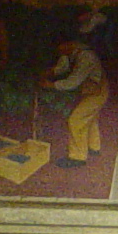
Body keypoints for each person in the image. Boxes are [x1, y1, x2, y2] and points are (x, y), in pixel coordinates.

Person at [41, 36, 110, 168]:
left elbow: (73, 82)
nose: (59, 51)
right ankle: (94, 148)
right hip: (90, 90)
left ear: (69, 43)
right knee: (90, 118)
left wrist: (51, 85)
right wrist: (51, 71)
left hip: (97, 91)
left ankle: (77, 157)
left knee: (76, 120)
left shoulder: (86, 57)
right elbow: (63, 66)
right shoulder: (70, 52)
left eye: (61, 47)